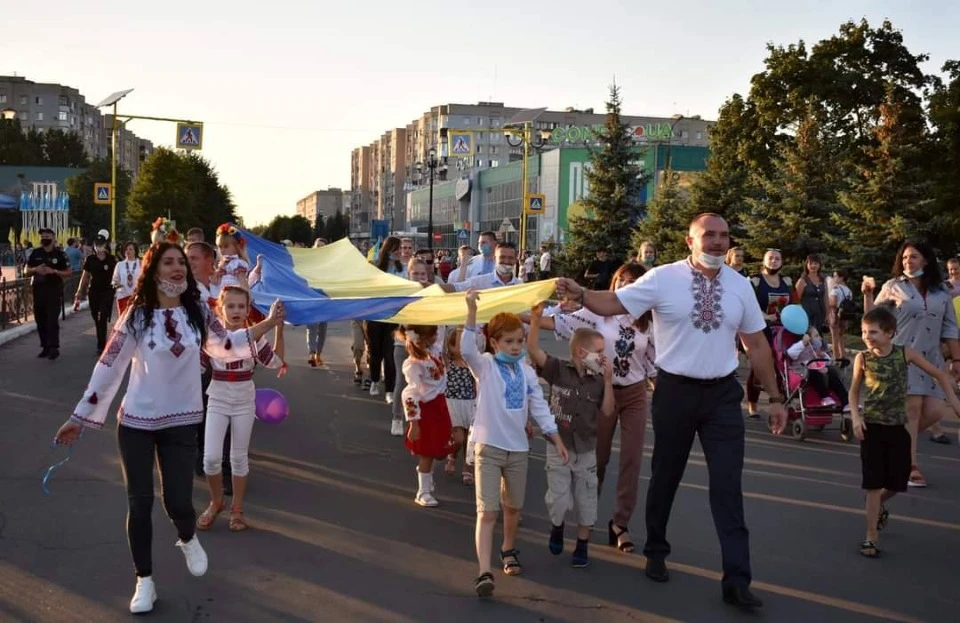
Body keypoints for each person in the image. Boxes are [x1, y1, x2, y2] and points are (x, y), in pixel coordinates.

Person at [555, 213, 786, 611]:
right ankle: (657, 550)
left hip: (721, 397)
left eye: (723, 236)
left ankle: (737, 579)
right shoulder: (663, 278)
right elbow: (614, 301)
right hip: (675, 391)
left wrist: (777, 398)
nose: (717, 242)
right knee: (666, 475)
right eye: (708, 236)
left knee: (728, 486)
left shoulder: (740, 287)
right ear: (689, 242)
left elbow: (757, 345)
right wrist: (581, 293)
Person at [53, 241, 286, 614]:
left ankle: (187, 535)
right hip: (137, 422)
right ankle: (144, 580)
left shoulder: (199, 314)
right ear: (153, 270)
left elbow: (226, 345)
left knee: (178, 501)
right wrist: (79, 416)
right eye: (169, 262)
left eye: (181, 262)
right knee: (139, 503)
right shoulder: (137, 316)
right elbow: (109, 366)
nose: (178, 267)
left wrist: (268, 325)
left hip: (182, 421)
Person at [529, 262, 656, 555]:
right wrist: (518, 316)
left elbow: (652, 363)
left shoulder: (650, 320)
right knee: (595, 460)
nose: (625, 284)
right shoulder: (599, 311)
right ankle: (587, 517)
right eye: (620, 279)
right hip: (600, 391)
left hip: (634, 394)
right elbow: (557, 323)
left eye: (632, 280)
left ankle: (620, 524)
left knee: (632, 460)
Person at [461, 290, 568, 598]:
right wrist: (471, 311)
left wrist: (556, 438)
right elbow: (467, 349)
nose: (516, 346)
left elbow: (540, 408)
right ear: (494, 343)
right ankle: (484, 571)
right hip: (489, 448)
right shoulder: (485, 366)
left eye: (519, 341)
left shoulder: (526, 372)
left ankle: (508, 549)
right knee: (487, 511)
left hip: (518, 450)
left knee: (513, 508)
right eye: (508, 341)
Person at [849, 307, 960, 557]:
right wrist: (856, 417)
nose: (868, 336)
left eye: (873, 332)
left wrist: (953, 399)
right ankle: (871, 537)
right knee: (873, 483)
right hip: (872, 428)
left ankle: (876, 506)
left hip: (898, 428)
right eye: (865, 332)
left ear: (890, 333)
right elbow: (854, 390)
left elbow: (938, 374)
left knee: (898, 482)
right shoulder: (863, 358)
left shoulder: (904, 353)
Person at [862, 240, 960, 487]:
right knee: (913, 410)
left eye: (913, 257)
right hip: (903, 355)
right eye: (905, 258)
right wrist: (868, 295)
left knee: (935, 411)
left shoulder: (941, 292)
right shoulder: (893, 286)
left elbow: (950, 326)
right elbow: (873, 318)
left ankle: (894, 444)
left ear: (925, 260)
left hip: (932, 358)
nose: (908, 261)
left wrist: (957, 358)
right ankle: (910, 466)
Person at [528, 305, 614, 569]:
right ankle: (557, 526)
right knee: (559, 498)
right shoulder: (558, 369)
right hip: (559, 445)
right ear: (581, 352)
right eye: (599, 352)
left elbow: (608, 411)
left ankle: (582, 544)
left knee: (587, 497)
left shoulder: (599, 380)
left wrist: (609, 382)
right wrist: (534, 320)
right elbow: (534, 351)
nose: (602, 358)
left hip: (587, 448)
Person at [197, 286, 287, 533]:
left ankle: (237, 510)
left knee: (238, 458)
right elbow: (196, 367)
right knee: (211, 459)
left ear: (248, 310)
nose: (236, 311)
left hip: (244, 401)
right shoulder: (212, 337)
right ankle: (216, 501)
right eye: (230, 306)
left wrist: (279, 326)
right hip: (217, 397)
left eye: (241, 307)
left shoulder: (255, 337)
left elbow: (276, 362)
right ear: (220, 309)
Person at [399, 324, 454, 507]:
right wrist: (414, 422)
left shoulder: (434, 349)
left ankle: (426, 474)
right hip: (427, 409)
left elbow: (441, 330)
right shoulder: (414, 364)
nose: (437, 335)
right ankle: (423, 491)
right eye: (434, 333)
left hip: (440, 405)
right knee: (427, 452)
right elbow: (410, 394)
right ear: (423, 338)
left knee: (439, 448)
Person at [390, 258, 435, 434]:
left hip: (427, 345)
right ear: (408, 274)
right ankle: (397, 418)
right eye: (415, 274)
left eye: (422, 274)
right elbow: (399, 318)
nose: (418, 277)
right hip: (404, 344)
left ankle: (418, 419)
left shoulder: (432, 292)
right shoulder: (402, 294)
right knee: (403, 382)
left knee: (426, 384)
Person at [746, 248, 793, 418]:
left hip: (783, 327)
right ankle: (752, 404)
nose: (774, 261)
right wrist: (766, 316)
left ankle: (782, 401)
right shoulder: (755, 281)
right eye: (770, 258)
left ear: (782, 262)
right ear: (764, 261)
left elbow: (794, 304)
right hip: (760, 327)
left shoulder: (786, 281)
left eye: (777, 258)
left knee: (783, 364)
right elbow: (749, 306)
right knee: (760, 365)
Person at [25, 228, 72, 360]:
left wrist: (55, 272)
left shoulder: (60, 254)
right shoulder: (35, 253)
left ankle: (53, 347)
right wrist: (35, 269)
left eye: (47, 236)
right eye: (43, 236)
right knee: (40, 320)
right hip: (38, 290)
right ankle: (45, 346)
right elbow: (26, 270)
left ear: (53, 238)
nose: (44, 238)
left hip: (54, 290)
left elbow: (69, 272)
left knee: (52, 320)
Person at [367, 237, 403, 398]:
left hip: (393, 317)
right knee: (376, 352)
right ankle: (374, 380)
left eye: (399, 250)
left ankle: (389, 390)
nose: (398, 253)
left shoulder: (402, 269)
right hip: (375, 316)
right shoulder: (375, 268)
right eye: (395, 249)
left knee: (390, 354)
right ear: (387, 250)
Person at [73, 232, 117, 355]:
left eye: (101, 244)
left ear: (105, 245)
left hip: (107, 291)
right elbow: (85, 276)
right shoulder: (90, 259)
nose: (99, 246)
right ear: (94, 245)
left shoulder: (111, 259)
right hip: (94, 292)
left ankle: (101, 345)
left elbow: (117, 276)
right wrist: (79, 292)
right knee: (96, 318)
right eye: (97, 244)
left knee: (102, 316)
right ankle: (101, 338)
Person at [444, 327, 477, 485]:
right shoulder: (447, 364)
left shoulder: (471, 364)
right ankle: (452, 455)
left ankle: (467, 467)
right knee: (458, 438)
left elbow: (477, 383)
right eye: (455, 345)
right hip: (453, 403)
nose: (459, 349)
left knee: (468, 440)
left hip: (469, 402)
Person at [785, 326, 848, 409]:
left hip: (818, 373)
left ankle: (846, 402)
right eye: (816, 336)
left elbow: (826, 362)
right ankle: (825, 397)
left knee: (832, 372)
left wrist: (827, 360)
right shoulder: (799, 347)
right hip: (801, 373)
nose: (820, 338)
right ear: (808, 337)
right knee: (814, 372)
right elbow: (790, 353)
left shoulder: (817, 351)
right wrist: (803, 343)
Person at [796, 254, 829, 333]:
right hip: (807, 315)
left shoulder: (823, 280)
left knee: (819, 337)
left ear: (819, 265)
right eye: (810, 263)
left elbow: (825, 298)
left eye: (816, 263)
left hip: (820, 314)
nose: (813, 266)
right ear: (807, 265)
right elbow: (796, 300)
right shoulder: (802, 280)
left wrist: (827, 314)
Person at [826, 269, 854, 361]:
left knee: (834, 336)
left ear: (841, 278)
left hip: (835, 313)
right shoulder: (849, 290)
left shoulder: (836, 289)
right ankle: (843, 355)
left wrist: (827, 300)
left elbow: (833, 303)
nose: (834, 278)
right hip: (845, 315)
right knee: (841, 335)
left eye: (835, 276)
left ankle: (836, 356)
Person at [214, 223, 251, 290]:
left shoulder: (237, 263)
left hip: (235, 295)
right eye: (220, 247)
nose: (222, 250)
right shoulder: (222, 264)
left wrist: (248, 298)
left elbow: (243, 282)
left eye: (226, 246)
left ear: (237, 247)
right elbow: (215, 282)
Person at [113, 242, 141, 316]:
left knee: (136, 321)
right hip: (123, 296)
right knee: (123, 323)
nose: (128, 251)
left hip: (137, 297)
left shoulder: (141, 263)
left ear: (135, 251)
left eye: (131, 249)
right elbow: (114, 280)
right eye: (126, 249)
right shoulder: (119, 265)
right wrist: (116, 284)